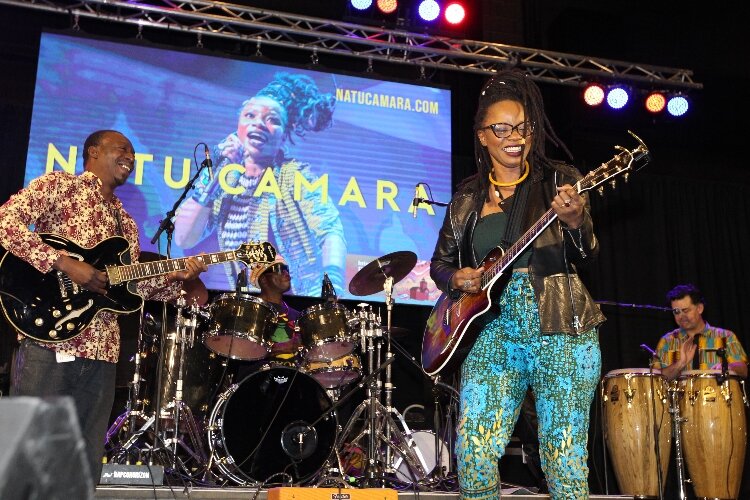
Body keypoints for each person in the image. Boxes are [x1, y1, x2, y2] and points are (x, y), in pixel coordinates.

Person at [430, 69, 605, 499]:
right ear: (482, 136)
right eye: (501, 128)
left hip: (561, 327)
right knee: (472, 452)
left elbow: (588, 252)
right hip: (493, 328)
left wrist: (576, 221)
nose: (514, 137)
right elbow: (439, 265)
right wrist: (458, 277)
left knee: (563, 461)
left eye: (523, 128)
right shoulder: (466, 198)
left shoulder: (558, 179)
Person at [0, 130, 207, 486]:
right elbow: (6, 222)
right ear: (93, 152)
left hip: (103, 349)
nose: (131, 156)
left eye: (133, 152)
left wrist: (177, 276)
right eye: (122, 149)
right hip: (51, 341)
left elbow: (133, 286)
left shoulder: (125, 222)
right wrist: (63, 262)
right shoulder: (60, 185)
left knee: (80, 467)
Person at [174, 72, 347, 297]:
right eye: (250, 115)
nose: (259, 124)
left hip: (301, 303)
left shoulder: (295, 175)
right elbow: (184, 237)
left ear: (283, 135)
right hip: (246, 306)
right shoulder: (223, 178)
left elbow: (331, 232)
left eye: (272, 119)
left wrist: (332, 283)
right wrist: (218, 175)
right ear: (238, 126)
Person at [653, 283, 747, 380]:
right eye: (676, 312)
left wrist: (727, 367)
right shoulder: (667, 341)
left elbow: (744, 370)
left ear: (699, 308)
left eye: (685, 310)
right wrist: (680, 364)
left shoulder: (726, 336)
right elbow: (656, 380)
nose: (681, 316)